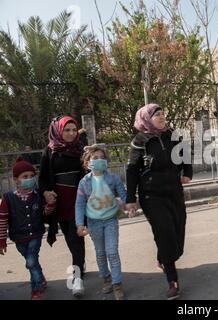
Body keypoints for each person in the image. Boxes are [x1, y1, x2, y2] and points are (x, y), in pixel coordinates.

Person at [126, 103, 193, 300]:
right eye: (157, 114)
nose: (162, 116)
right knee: (164, 232)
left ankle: (163, 257)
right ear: (147, 118)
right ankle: (172, 280)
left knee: (177, 230)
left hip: (173, 190)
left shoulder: (172, 134)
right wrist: (131, 199)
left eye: (163, 113)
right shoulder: (140, 140)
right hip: (151, 195)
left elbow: (185, 153)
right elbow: (131, 170)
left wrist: (187, 172)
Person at [75, 145, 132, 300]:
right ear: (87, 163)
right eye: (95, 158)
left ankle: (117, 284)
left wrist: (129, 206)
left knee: (112, 252)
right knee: (100, 253)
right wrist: (80, 224)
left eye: (102, 158)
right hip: (94, 223)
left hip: (110, 221)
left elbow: (123, 194)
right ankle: (106, 278)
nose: (99, 160)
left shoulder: (113, 178)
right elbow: (79, 204)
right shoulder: (84, 182)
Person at [38, 115, 86, 297]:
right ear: (58, 130)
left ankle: (77, 275)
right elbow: (42, 179)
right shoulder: (49, 152)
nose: (72, 133)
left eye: (74, 130)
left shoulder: (81, 149)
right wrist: (45, 193)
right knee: (72, 239)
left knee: (77, 238)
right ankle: (78, 269)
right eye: (67, 130)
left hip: (81, 200)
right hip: (62, 203)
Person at [0, 157, 54, 300]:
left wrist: (50, 205)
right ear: (16, 179)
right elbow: (2, 220)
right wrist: (2, 241)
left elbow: (44, 213)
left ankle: (36, 290)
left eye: (31, 176)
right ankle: (41, 278)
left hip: (35, 235)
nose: (29, 179)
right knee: (32, 262)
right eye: (25, 176)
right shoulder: (8, 198)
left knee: (30, 262)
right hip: (18, 238)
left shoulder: (37, 195)